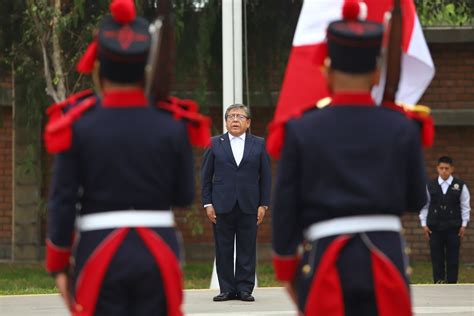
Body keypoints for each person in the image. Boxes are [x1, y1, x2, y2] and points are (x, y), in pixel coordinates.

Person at [43, 1, 209, 314]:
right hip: (157, 250)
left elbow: (62, 200)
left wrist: (59, 265)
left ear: (98, 66)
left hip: (98, 251)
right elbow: (184, 196)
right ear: (146, 65)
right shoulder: (173, 124)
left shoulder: (77, 124)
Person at [271, 7, 428, 316]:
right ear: (376, 73)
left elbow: (285, 207)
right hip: (387, 255)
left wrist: (286, 268)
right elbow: (416, 198)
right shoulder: (402, 126)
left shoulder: (301, 128)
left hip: (326, 257)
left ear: (327, 70)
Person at [201, 104, 272, 302]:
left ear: (248, 122)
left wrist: (263, 204)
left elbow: (266, 177)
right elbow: (205, 176)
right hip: (221, 205)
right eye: (231, 116)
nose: (235, 119)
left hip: (250, 204)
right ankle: (226, 289)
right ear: (225, 121)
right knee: (223, 248)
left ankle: (244, 289)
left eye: (240, 116)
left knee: (247, 248)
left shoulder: (258, 144)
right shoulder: (215, 143)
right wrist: (207, 203)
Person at [419, 156, 471, 284]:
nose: (444, 171)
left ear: (452, 169)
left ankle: (452, 283)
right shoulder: (430, 186)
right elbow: (424, 206)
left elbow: (465, 206)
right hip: (434, 227)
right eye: (441, 168)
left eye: (447, 168)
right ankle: (439, 282)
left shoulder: (460, 186)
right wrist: (423, 223)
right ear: (437, 169)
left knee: (453, 257)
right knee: (437, 257)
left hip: (454, 227)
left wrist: (464, 224)